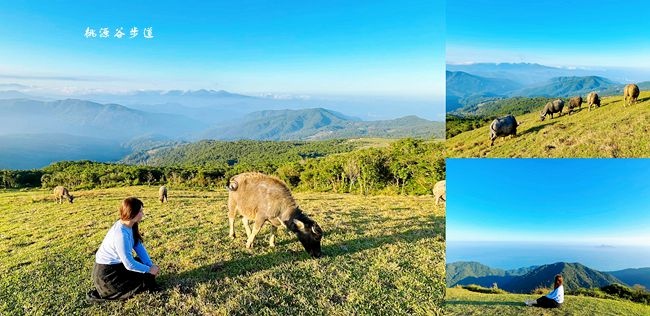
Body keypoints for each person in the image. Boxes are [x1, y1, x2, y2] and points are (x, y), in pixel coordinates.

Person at [87, 197, 160, 302]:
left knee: (141, 265)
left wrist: (149, 264)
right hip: (107, 277)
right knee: (145, 278)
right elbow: (129, 264)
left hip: (117, 267)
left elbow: (138, 246)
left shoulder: (130, 225)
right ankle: (114, 291)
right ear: (132, 213)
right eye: (140, 211)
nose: (142, 214)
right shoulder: (120, 234)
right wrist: (149, 270)